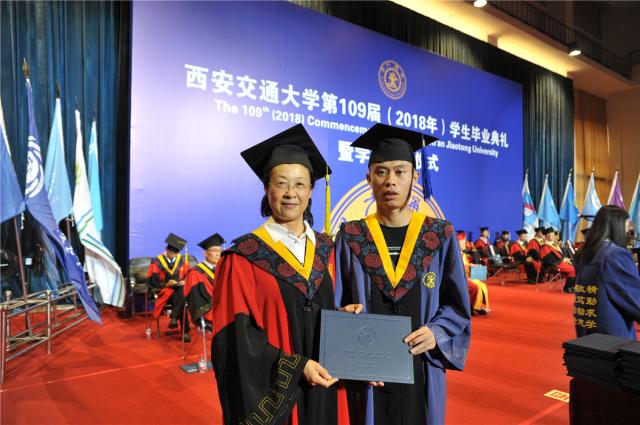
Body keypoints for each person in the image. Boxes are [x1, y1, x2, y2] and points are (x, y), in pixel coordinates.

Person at [210, 125, 352, 424]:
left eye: (300, 184)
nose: (290, 193)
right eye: (281, 183)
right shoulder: (244, 256)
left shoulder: (327, 249)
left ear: (311, 191)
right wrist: (296, 366)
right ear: (267, 189)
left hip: (326, 383)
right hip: (277, 396)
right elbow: (235, 339)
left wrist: (343, 316)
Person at [334, 123, 471, 425]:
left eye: (400, 172)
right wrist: (346, 332)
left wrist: (436, 333)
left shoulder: (438, 235)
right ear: (368, 178)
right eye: (381, 172)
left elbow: (458, 305)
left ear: (415, 177)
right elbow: (337, 306)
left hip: (422, 366)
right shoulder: (351, 236)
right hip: (369, 374)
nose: (390, 181)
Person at [573, 205, 640, 339]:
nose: (629, 232)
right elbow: (633, 296)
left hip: (588, 330)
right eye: (627, 227)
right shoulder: (615, 255)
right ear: (617, 227)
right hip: (612, 336)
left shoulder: (587, 252)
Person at [147, 233, 191, 341]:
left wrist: (184, 281)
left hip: (179, 290)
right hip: (165, 292)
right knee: (181, 298)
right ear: (166, 249)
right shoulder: (156, 261)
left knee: (181, 291)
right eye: (171, 253)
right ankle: (185, 331)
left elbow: (188, 275)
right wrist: (166, 284)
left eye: (175, 254)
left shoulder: (181, 260)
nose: (173, 256)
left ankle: (174, 318)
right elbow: (152, 280)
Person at [184, 233, 225, 326]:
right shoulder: (196, 272)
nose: (218, 254)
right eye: (214, 250)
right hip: (211, 311)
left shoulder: (224, 268)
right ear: (205, 253)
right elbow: (197, 296)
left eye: (220, 250)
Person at [458, 234, 490, 315]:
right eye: (462, 243)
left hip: (467, 276)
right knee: (475, 287)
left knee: (482, 286)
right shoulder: (455, 255)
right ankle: (471, 308)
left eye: (464, 243)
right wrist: (469, 265)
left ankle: (478, 306)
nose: (464, 245)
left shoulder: (463, 254)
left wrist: (473, 265)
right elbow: (456, 268)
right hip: (459, 277)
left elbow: (466, 264)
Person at [539, 227, 576, 293]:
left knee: (576, 266)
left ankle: (572, 286)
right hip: (554, 265)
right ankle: (567, 287)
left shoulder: (554, 245)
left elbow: (560, 255)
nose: (553, 236)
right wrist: (563, 260)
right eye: (551, 235)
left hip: (559, 263)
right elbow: (550, 260)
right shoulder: (545, 246)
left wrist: (565, 259)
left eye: (553, 235)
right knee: (572, 269)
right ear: (546, 236)